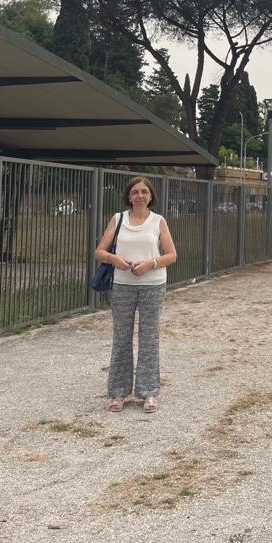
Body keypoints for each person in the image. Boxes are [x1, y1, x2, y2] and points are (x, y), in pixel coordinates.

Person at [94, 176, 177, 414]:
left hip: (153, 284)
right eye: (135, 192)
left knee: (149, 338)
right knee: (122, 337)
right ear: (129, 196)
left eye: (144, 192)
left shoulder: (158, 221)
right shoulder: (118, 219)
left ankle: (149, 392)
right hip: (122, 284)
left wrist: (151, 263)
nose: (139, 196)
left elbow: (172, 255)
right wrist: (113, 259)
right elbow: (99, 251)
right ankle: (118, 392)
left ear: (151, 196)